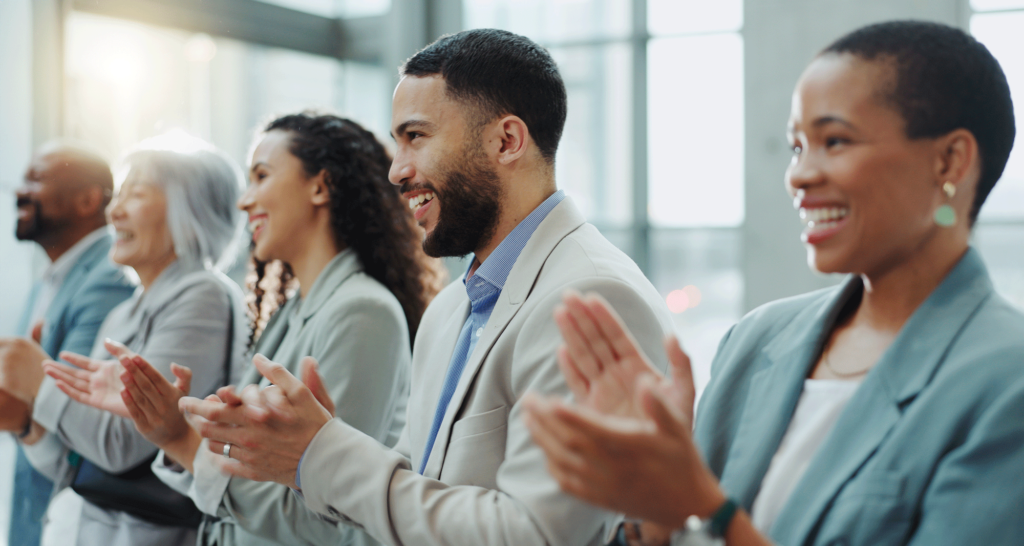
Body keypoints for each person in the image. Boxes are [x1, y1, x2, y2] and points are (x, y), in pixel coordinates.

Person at [521, 20, 1023, 546]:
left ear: (949, 161)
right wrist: (654, 510)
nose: (800, 176)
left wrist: (705, 507)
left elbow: (704, 510)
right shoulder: (758, 340)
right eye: (796, 147)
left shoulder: (1006, 381)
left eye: (834, 140)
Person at [177, 28, 676, 546]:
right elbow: (419, 490)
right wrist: (314, 450)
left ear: (507, 141)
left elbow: (537, 534)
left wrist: (325, 453)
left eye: (416, 136)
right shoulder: (450, 308)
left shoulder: (591, 297)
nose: (397, 170)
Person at [48, 113, 444, 546]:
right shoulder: (293, 312)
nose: (244, 201)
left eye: (261, 176)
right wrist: (176, 418)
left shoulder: (361, 313)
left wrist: (182, 439)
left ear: (319, 186)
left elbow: (330, 518)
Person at [6, 134, 248, 546]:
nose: (114, 211)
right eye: (118, 194)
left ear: (190, 211)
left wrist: (39, 383)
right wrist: (27, 422)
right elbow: (76, 462)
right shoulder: (126, 309)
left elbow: (122, 447)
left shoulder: (202, 296)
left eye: (135, 194)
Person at [1, 142, 135, 546]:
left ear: (88, 200)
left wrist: (22, 412)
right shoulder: (52, 278)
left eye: (36, 179)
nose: (19, 191)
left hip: (71, 520)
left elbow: (72, 421)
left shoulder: (109, 279)